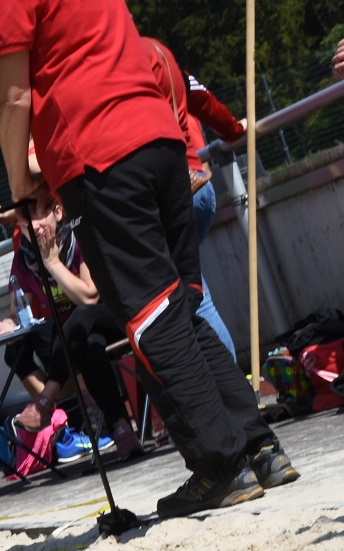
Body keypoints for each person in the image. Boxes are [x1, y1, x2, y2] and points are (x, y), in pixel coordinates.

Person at [0, 0, 296, 518]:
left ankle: (221, 465)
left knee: (152, 321)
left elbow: (13, 96)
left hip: (102, 157)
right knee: (183, 310)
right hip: (162, 141)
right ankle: (259, 448)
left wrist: (20, 185)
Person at [3, 193, 144, 460]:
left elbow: (89, 297)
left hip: (118, 315)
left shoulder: (79, 238)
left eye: (39, 215)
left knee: (81, 315)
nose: (34, 225)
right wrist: (3, 324)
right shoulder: (23, 260)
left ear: (58, 212)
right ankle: (122, 430)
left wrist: (52, 263)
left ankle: (45, 400)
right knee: (89, 345)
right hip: (80, 337)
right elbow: (18, 313)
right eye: (26, 220)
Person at [141, 36, 239, 359]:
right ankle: (230, 383)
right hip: (198, 184)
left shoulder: (116, 61)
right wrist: (233, 130)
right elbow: (202, 98)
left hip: (166, 195)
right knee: (194, 292)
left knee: (192, 299)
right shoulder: (159, 51)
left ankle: (229, 383)